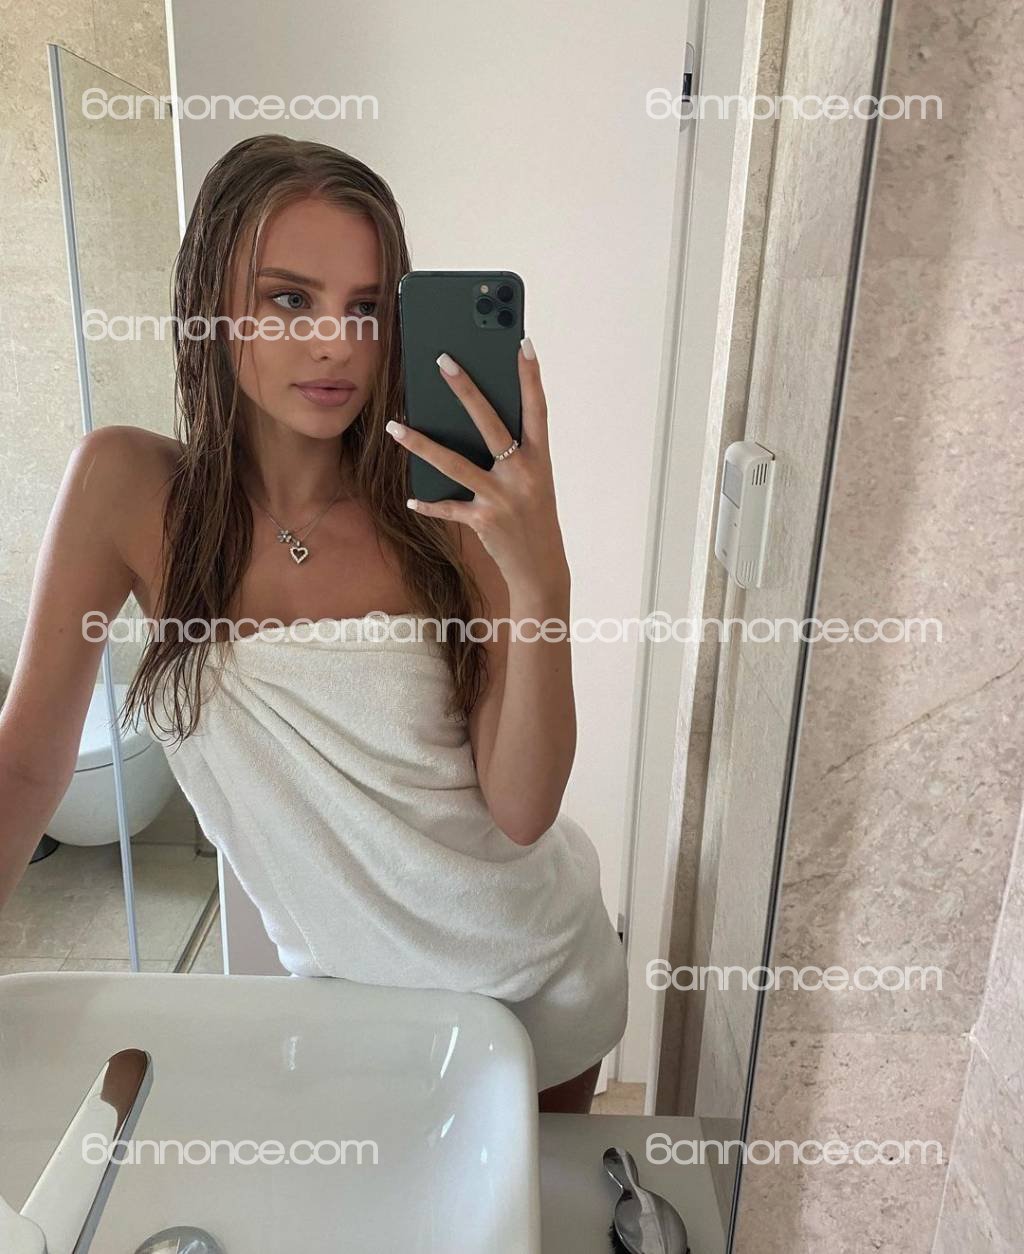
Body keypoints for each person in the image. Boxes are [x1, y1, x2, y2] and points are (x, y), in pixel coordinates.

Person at [0, 135, 627, 1113]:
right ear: (211, 302)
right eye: (289, 299)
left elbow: (521, 810)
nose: (335, 341)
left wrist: (543, 581)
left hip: (525, 988)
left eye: (366, 308)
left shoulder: (447, 513)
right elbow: (26, 767)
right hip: (344, 1005)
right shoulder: (126, 489)